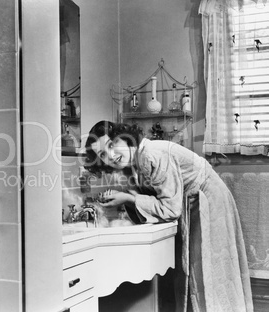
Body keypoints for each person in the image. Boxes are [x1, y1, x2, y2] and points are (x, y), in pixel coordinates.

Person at [84, 120, 253, 312]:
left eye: (112, 145)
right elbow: (152, 195)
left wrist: (128, 198)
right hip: (191, 201)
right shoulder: (133, 162)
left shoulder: (150, 154)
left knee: (210, 268)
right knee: (194, 271)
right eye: (103, 154)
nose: (111, 155)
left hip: (208, 198)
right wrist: (126, 197)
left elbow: (171, 209)